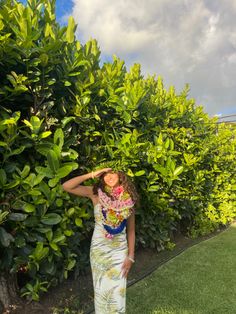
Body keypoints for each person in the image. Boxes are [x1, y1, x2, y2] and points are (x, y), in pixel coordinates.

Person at [62, 168, 138, 313]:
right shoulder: (95, 193)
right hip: (99, 251)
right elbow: (66, 186)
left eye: (112, 173)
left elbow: (131, 230)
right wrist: (91, 174)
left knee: (118, 293)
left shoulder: (128, 200)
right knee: (101, 291)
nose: (109, 177)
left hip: (119, 252)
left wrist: (131, 256)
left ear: (120, 175)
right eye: (105, 175)